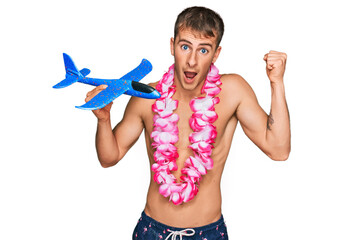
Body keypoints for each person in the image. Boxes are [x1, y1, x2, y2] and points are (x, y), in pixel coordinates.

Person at [85, 6, 290, 240]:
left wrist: (276, 82)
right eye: (185, 47)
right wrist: (103, 119)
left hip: (207, 233)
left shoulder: (233, 91)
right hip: (151, 230)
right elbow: (109, 157)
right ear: (172, 46)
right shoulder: (146, 97)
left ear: (216, 54)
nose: (192, 61)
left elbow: (279, 150)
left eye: (203, 50)